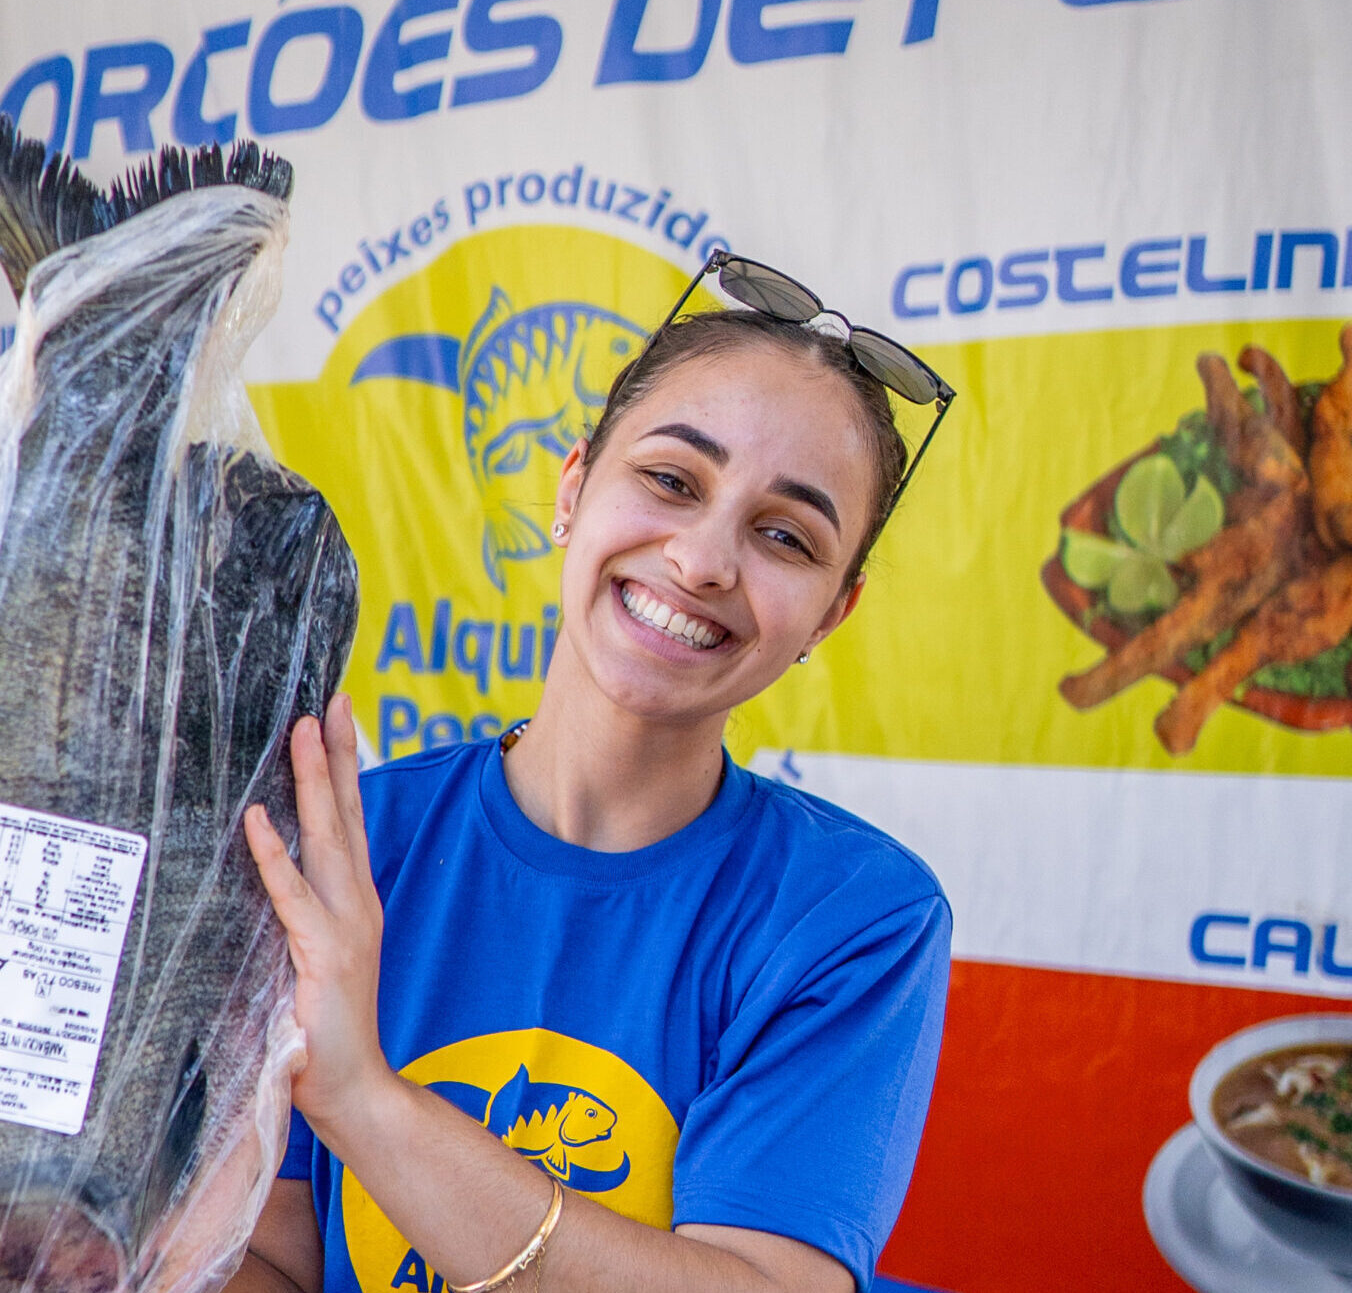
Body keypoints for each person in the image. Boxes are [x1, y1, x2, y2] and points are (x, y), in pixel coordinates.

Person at [232, 255, 957, 1293]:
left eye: (785, 535)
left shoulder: (853, 915)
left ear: (830, 613)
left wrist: (362, 1099)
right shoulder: (346, 844)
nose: (704, 559)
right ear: (572, 489)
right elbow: (275, 1256)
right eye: (672, 480)